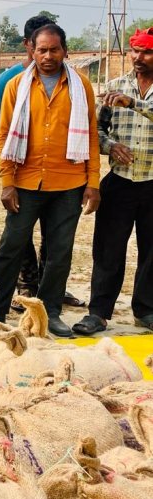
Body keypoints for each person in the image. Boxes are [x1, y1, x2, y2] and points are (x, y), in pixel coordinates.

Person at [0, 23, 100, 337]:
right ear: (32, 50)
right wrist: (7, 181)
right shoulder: (16, 86)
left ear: (65, 51)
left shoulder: (81, 85)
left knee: (59, 253)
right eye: (42, 49)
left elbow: (91, 136)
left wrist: (93, 182)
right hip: (25, 183)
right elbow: (4, 136)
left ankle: (50, 312)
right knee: (11, 247)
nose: (48, 56)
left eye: (54, 49)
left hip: (68, 184)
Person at [74, 27, 153, 335]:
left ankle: (145, 310)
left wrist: (132, 103)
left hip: (152, 181)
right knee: (108, 250)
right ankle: (98, 312)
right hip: (120, 182)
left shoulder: (126, 96)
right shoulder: (114, 86)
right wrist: (111, 146)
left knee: (151, 251)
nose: (138, 58)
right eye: (134, 51)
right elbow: (97, 132)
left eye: (146, 52)